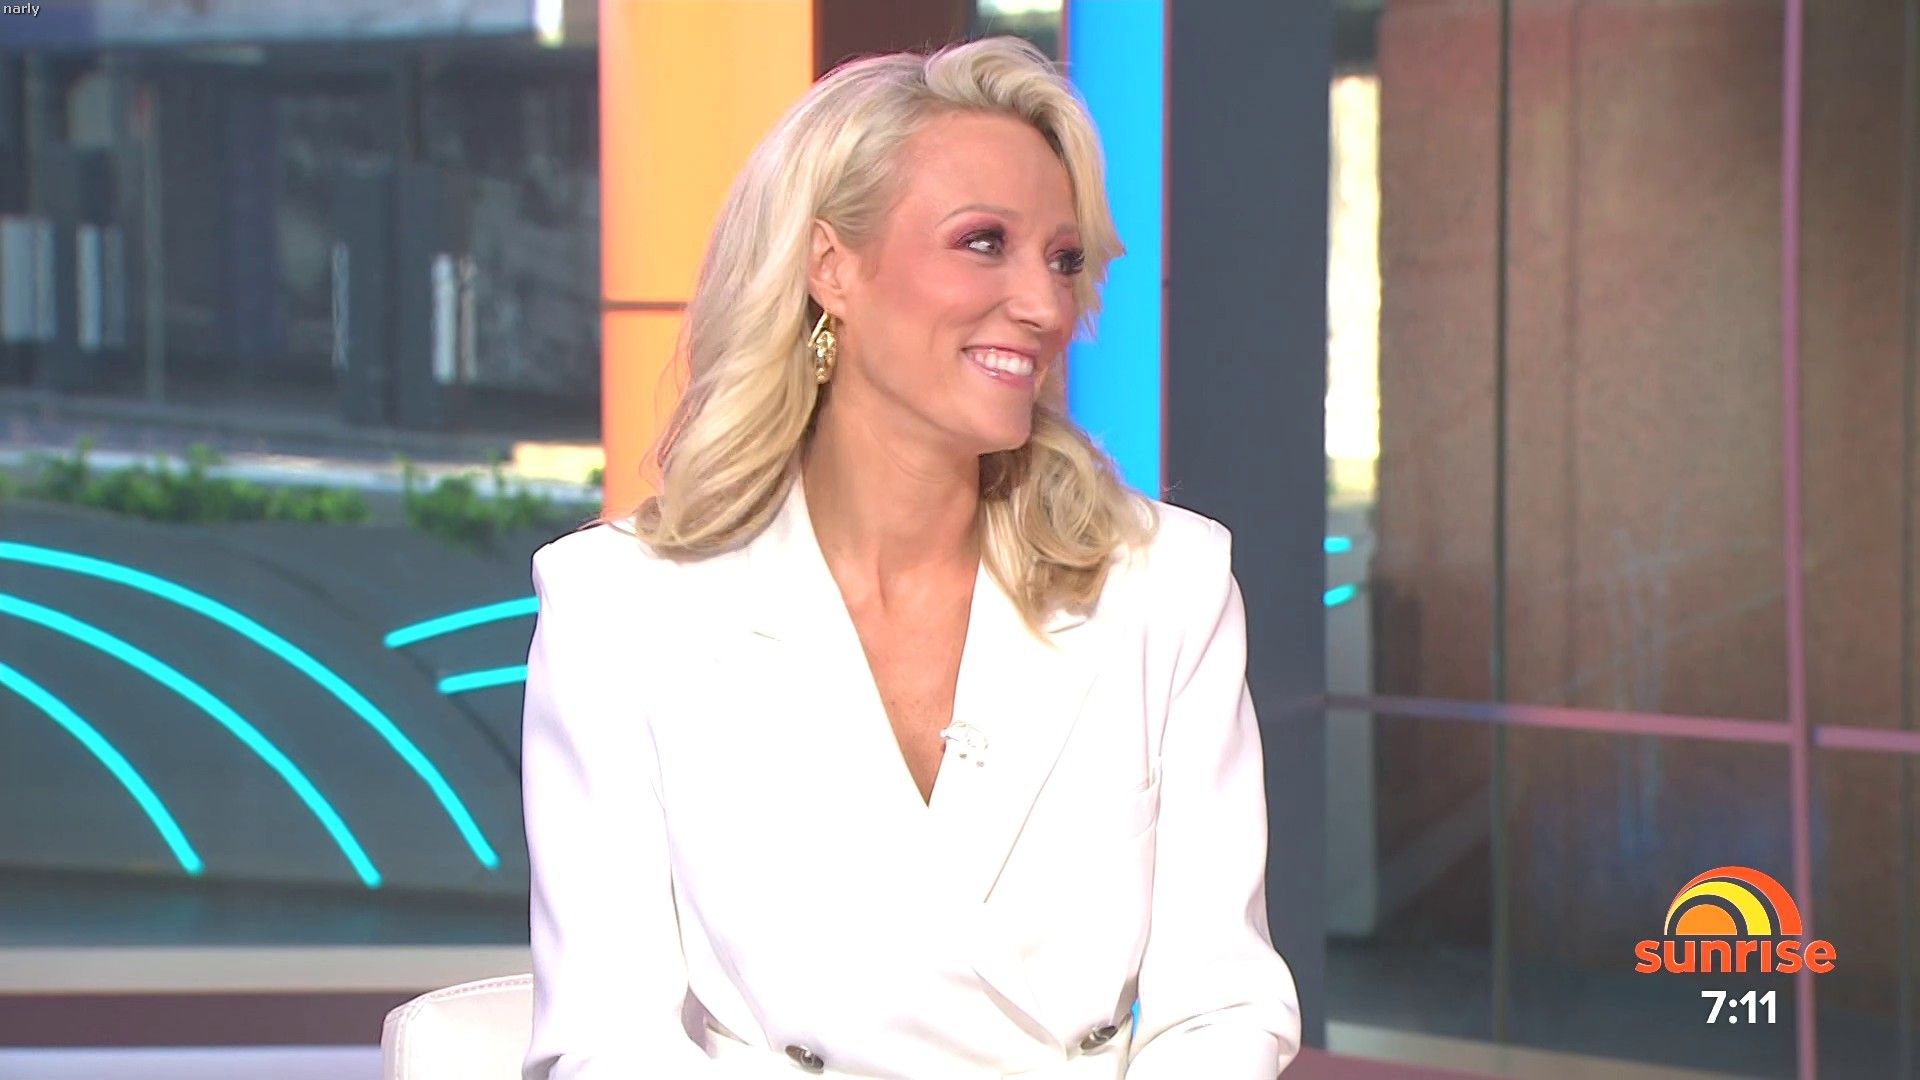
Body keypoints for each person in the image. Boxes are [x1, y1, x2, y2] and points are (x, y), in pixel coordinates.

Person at [519, 35, 1301, 1080]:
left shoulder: (1168, 584)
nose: (1045, 306)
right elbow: (606, 1041)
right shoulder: (619, 609)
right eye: (984, 242)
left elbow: (1225, 1006)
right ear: (831, 267)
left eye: (1063, 260)